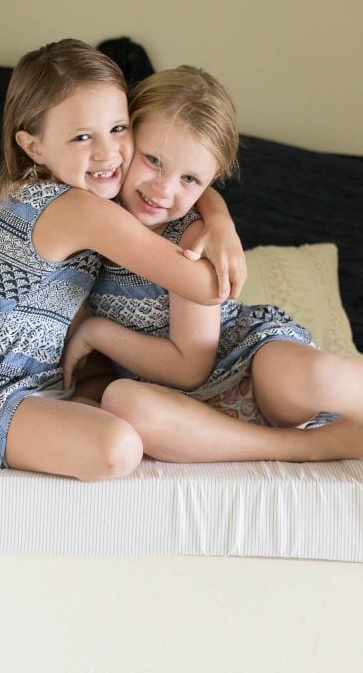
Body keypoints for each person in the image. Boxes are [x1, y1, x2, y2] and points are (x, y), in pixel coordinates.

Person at [0, 40, 244, 482]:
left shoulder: (56, 192)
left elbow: (193, 175)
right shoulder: (77, 211)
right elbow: (204, 286)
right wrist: (223, 231)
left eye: (119, 129)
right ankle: (294, 445)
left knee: (113, 391)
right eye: (83, 136)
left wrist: (216, 213)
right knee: (118, 447)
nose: (107, 153)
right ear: (35, 145)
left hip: (15, 383)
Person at [62, 65, 363, 463]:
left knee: (316, 375)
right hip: (183, 407)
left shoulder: (191, 238)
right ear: (125, 135)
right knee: (123, 402)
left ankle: (314, 431)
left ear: (209, 181)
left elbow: (191, 367)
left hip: (247, 361)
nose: (163, 189)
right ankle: (311, 446)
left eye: (190, 180)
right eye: (153, 159)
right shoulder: (89, 212)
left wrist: (95, 332)